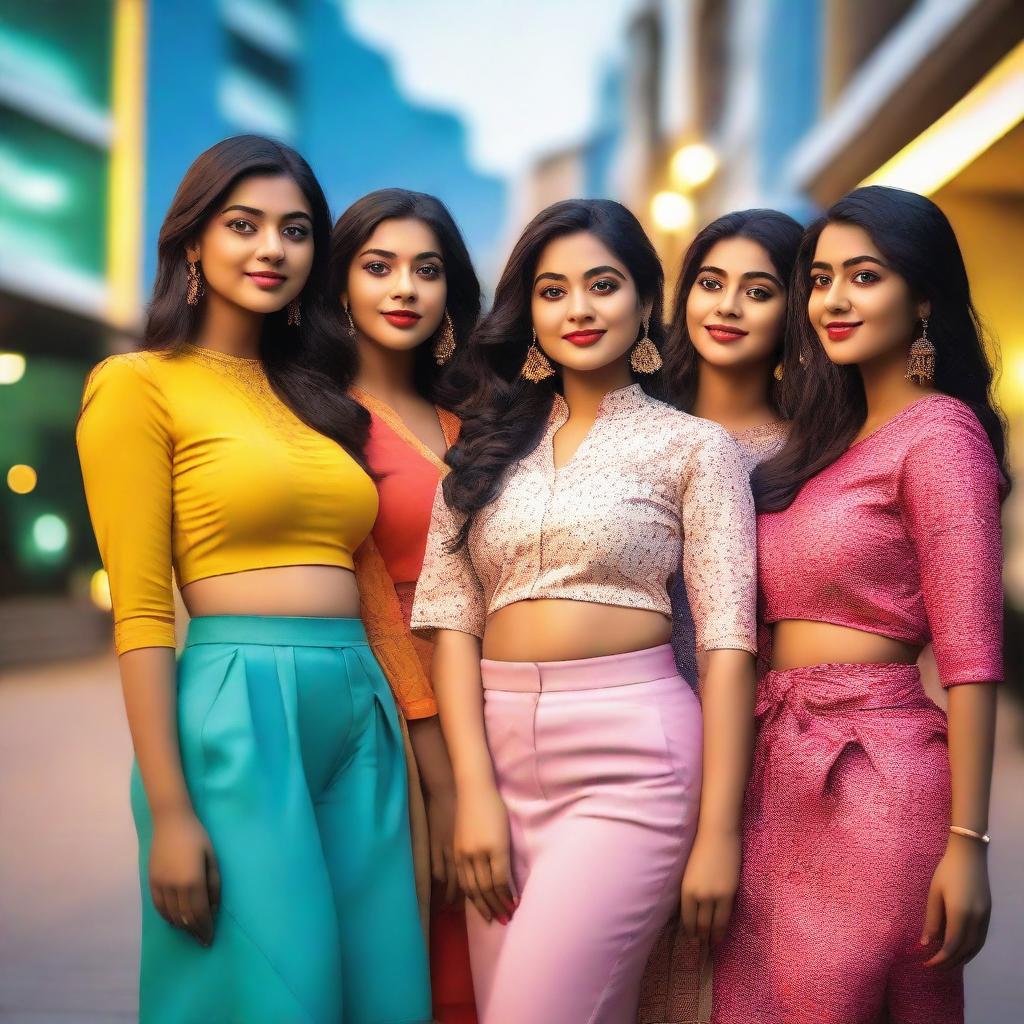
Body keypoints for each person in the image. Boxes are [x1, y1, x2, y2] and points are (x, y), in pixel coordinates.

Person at [76, 136, 430, 1023]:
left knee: (384, 989)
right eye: (244, 225)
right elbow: (144, 612)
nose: (272, 248)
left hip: (360, 709)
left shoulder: (318, 397)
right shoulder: (136, 386)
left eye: (296, 230)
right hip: (237, 707)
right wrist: (169, 812)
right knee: (280, 992)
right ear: (193, 242)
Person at [411, 199, 758, 1023]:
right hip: (498, 764)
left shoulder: (694, 447)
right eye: (553, 290)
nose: (578, 309)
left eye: (602, 286)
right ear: (529, 312)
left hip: (631, 764)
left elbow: (729, 643)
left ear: (644, 303)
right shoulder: (482, 450)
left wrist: (720, 833)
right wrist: (473, 795)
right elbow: (452, 623)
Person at [713, 185, 1008, 1023]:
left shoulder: (940, 434)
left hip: (878, 779)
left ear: (921, 298)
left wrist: (967, 844)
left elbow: (974, 660)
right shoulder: (823, 443)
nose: (834, 300)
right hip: (777, 774)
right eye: (821, 278)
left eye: (865, 277)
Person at [641, 208, 802, 1024]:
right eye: (710, 283)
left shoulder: (816, 454)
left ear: (794, 310)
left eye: (758, 289)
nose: (728, 306)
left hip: (769, 758)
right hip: (631, 744)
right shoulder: (632, 425)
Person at [331, 187, 480, 1024]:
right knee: (421, 951)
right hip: (393, 721)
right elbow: (371, 604)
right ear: (342, 285)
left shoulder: (481, 421)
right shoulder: (325, 425)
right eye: (377, 266)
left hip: (499, 703)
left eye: (426, 270)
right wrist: (441, 773)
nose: (404, 289)